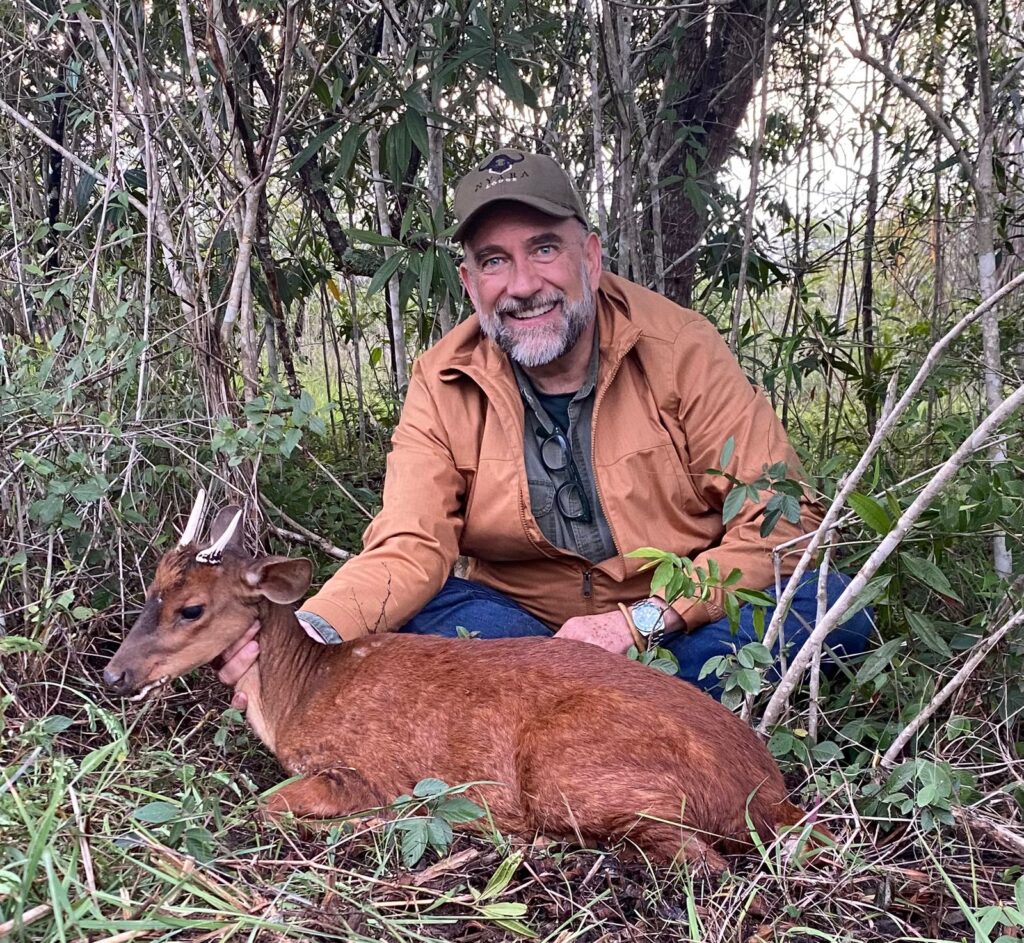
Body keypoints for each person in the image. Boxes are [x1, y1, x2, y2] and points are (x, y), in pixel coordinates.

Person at [218, 148, 872, 705]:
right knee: (416, 614)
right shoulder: (442, 378)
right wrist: (306, 636)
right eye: (494, 260)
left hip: (673, 622)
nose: (524, 284)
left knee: (832, 608)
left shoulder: (680, 347)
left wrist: (639, 623)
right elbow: (409, 544)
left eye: (544, 249)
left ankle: (563, 716)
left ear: (590, 256)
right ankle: (631, 716)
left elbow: (781, 525)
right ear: (470, 282)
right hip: (522, 631)